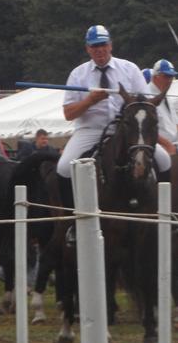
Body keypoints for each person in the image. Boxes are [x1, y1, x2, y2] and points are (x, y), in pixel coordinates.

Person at [56, 25, 168, 209]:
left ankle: (164, 211)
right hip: (90, 130)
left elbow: (144, 104)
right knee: (64, 168)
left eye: (102, 44)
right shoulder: (77, 74)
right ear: (87, 48)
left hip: (124, 129)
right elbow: (69, 114)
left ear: (110, 45)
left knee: (163, 160)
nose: (99, 49)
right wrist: (89, 101)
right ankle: (72, 219)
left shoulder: (130, 69)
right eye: (94, 46)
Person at [148, 58, 177, 182]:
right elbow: (147, 129)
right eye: (166, 76)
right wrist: (168, 144)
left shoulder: (167, 96)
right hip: (158, 144)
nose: (170, 80)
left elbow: (175, 124)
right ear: (155, 77)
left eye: (171, 77)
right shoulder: (146, 95)